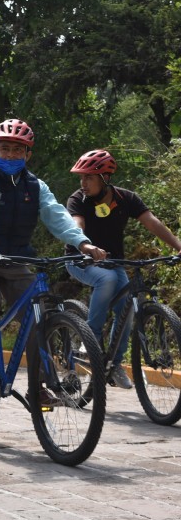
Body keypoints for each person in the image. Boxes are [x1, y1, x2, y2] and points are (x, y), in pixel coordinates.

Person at [0, 119, 105, 398]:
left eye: (17, 150)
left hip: (14, 260)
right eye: (5, 149)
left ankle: (38, 384)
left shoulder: (35, 186)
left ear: (28, 155)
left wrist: (82, 242)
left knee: (38, 316)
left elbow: (57, 215)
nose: (11, 155)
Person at [65, 150, 181, 389]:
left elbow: (152, 222)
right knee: (106, 279)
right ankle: (91, 340)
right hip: (79, 259)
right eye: (81, 177)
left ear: (105, 178)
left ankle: (114, 364)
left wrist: (179, 246)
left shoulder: (126, 198)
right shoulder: (78, 199)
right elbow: (76, 225)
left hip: (113, 262)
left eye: (89, 177)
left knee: (126, 310)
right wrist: (86, 246)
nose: (83, 183)